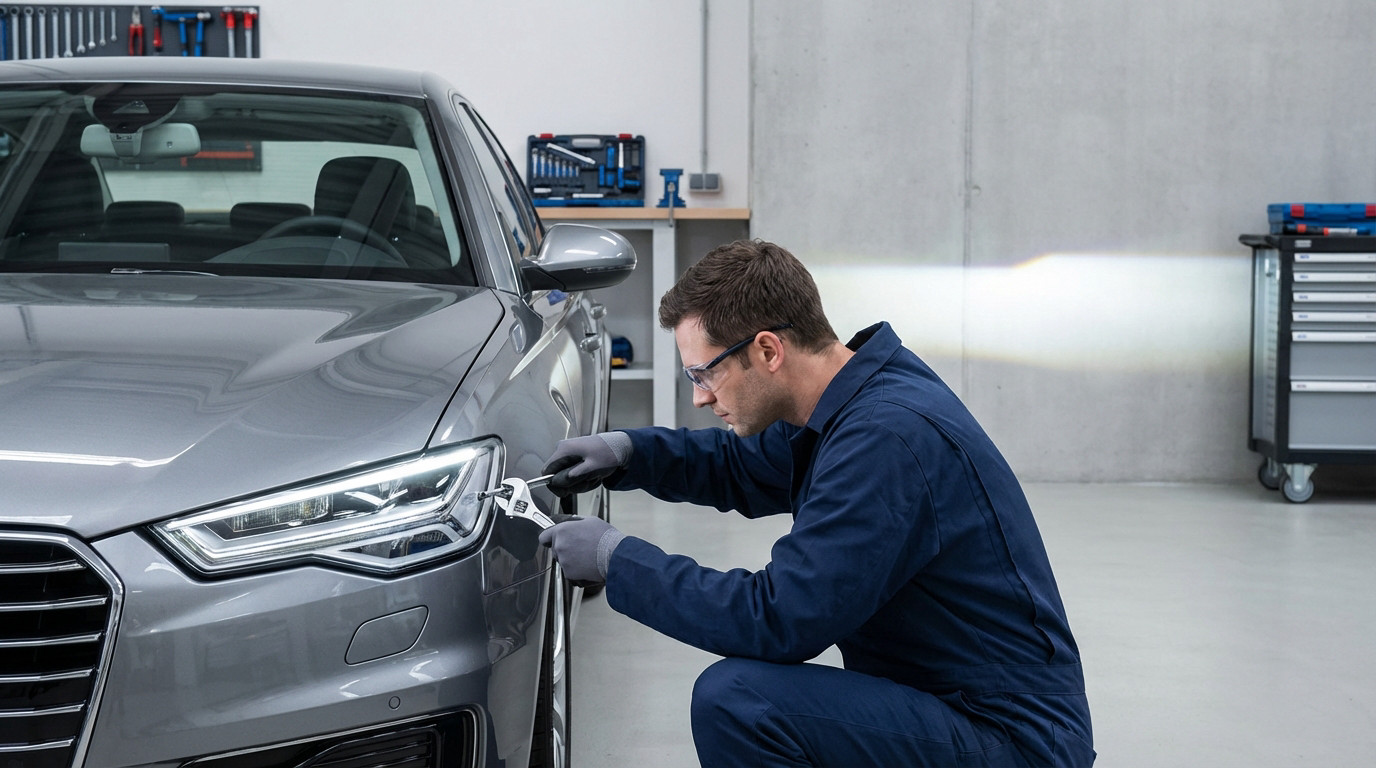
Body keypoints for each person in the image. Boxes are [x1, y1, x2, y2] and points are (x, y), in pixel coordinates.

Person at [537, 239, 1094, 767]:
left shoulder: (886, 440)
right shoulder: (852, 397)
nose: (700, 396)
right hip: (947, 700)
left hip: (1010, 737)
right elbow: (742, 466)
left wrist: (617, 558)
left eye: (705, 373)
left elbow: (778, 619)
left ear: (767, 350)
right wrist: (630, 453)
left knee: (741, 702)